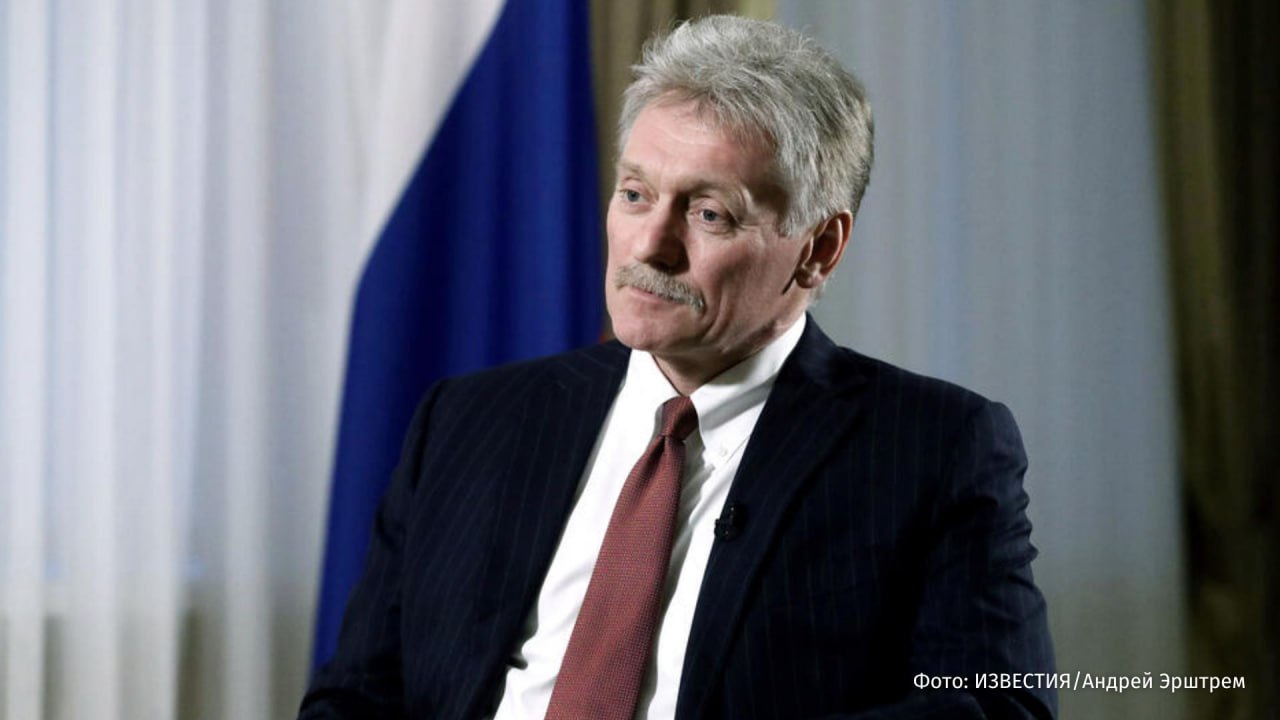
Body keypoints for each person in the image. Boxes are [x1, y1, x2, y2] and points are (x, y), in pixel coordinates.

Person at [300, 15, 1055, 720]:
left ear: (818, 249)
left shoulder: (931, 449)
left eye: (708, 214)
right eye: (635, 195)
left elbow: (998, 706)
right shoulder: (468, 421)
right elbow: (356, 698)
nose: (648, 247)